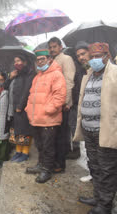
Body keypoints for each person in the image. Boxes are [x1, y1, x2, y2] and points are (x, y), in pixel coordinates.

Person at [74, 42, 117, 214]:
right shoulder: (89, 75)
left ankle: (105, 205)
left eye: (98, 56)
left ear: (107, 56)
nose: (94, 60)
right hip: (89, 130)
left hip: (105, 130)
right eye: (91, 57)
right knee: (95, 166)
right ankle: (98, 198)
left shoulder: (114, 74)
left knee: (107, 169)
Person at [25, 49, 66, 183]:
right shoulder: (38, 76)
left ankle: (47, 170)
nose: (40, 62)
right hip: (36, 119)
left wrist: (48, 110)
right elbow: (32, 95)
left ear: (49, 59)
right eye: (38, 60)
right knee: (40, 145)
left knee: (48, 147)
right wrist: (28, 109)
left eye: (42, 59)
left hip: (49, 119)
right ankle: (41, 165)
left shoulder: (56, 75)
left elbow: (59, 96)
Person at [48, 37, 76, 173]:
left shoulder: (66, 59)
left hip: (63, 104)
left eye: (54, 46)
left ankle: (60, 164)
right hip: (54, 103)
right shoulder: (51, 61)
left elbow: (69, 81)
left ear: (60, 47)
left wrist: (66, 102)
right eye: (50, 47)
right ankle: (55, 161)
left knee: (61, 135)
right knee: (54, 135)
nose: (52, 49)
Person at [8, 55, 35, 163]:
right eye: (15, 61)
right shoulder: (16, 74)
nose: (16, 63)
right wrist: (10, 78)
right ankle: (18, 151)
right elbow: (6, 87)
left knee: (25, 131)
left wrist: (20, 105)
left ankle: (25, 153)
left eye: (19, 60)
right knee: (17, 131)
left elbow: (27, 90)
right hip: (14, 107)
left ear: (24, 62)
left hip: (24, 107)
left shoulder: (30, 73)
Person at [66, 41, 90, 160]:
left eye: (83, 54)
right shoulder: (78, 68)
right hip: (76, 104)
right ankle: (76, 150)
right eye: (78, 55)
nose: (81, 57)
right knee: (73, 127)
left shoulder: (96, 68)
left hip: (91, 107)